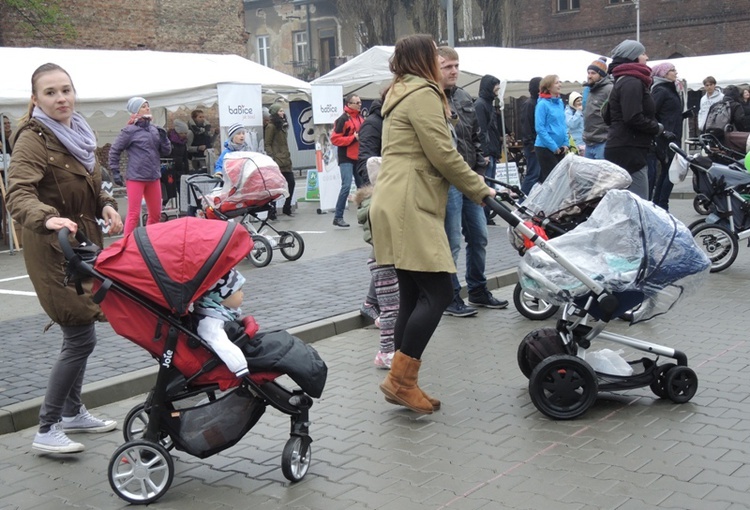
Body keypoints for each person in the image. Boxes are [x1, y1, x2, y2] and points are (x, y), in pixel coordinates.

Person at [369, 34, 495, 414]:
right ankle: (401, 380)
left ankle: (402, 379)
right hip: (411, 203)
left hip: (394, 200)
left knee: (413, 294)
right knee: (439, 291)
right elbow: (443, 153)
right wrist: (480, 189)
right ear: (425, 59)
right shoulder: (423, 93)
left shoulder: (399, 92)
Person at [6, 62, 123, 454]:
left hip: (82, 246)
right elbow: (17, 194)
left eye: (66, 90)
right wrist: (46, 217)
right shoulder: (33, 138)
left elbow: (92, 183)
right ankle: (48, 426)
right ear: (36, 98)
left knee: (83, 334)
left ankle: (72, 412)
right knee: (78, 334)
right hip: (53, 248)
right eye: (52, 92)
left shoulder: (78, 133)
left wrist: (106, 204)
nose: (62, 98)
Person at [437, 46, 508, 318]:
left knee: (479, 236)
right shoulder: (431, 100)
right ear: (436, 68)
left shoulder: (465, 97)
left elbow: (477, 138)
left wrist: (479, 169)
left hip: (470, 179)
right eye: (447, 67)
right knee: (452, 241)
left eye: (456, 66)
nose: (453, 71)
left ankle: (477, 289)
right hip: (448, 181)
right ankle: (450, 296)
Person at [604, 39, 663, 200]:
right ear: (634, 57)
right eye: (643, 53)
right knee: (638, 203)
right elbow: (633, 117)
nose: (647, 57)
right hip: (629, 150)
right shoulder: (632, 82)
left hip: (625, 146)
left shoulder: (623, 80)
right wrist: (657, 128)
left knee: (624, 203)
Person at [355, 157, 397, 369]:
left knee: (393, 307)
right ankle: (385, 352)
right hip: (384, 259)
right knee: (391, 308)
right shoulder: (378, 203)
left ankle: (390, 345)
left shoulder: (377, 200)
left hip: (386, 258)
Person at [108, 96, 172, 236]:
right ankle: (126, 245)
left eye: (148, 105)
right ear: (135, 110)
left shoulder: (155, 129)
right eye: (143, 106)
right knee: (134, 215)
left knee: (155, 215)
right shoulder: (129, 131)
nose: (147, 108)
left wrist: (164, 138)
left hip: (153, 176)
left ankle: (149, 242)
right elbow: (115, 150)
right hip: (136, 177)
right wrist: (115, 170)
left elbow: (166, 152)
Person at [356, 93, 386, 328]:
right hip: (379, 193)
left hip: (391, 192)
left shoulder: (390, 121)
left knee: (386, 252)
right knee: (382, 251)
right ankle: (370, 302)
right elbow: (365, 160)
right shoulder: (374, 124)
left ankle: (374, 301)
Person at [193, 268, 250, 378]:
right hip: (236, 362)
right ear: (220, 297)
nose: (242, 294)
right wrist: (240, 366)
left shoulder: (216, 312)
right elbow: (220, 343)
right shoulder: (210, 322)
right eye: (239, 290)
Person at [650, 62, 684, 211]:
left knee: (667, 171)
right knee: (671, 171)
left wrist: (683, 116)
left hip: (673, 135)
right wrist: (662, 131)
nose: (676, 72)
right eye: (672, 70)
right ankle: (662, 204)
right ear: (663, 74)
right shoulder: (660, 90)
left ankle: (659, 204)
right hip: (665, 138)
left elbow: (669, 112)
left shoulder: (671, 89)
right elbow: (651, 114)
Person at [330, 93, 364, 227]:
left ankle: (364, 215)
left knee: (362, 188)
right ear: (349, 104)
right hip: (346, 157)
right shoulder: (343, 119)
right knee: (346, 186)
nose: (360, 105)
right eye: (357, 102)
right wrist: (352, 138)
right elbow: (335, 139)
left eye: (360, 102)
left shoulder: (360, 118)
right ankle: (338, 217)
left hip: (358, 156)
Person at [474, 74, 503, 225]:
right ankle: (484, 217)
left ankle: (487, 215)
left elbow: (491, 130)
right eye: (495, 84)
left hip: (491, 151)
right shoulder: (481, 105)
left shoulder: (488, 104)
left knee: (490, 185)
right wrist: (484, 153)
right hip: (487, 152)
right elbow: (481, 130)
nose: (498, 87)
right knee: (486, 186)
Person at [534, 75, 569, 183]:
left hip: (560, 148)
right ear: (548, 87)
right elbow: (540, 128)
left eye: (560, 82)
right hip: (545, 148)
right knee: (553, 181)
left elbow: (563, 124)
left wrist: (566, 143)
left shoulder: (560, 103)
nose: (560, 84)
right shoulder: (542, 104)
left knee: (561, 180)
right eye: (557, 82)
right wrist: (553, 147)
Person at [264, 103, 295, 216]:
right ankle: (272, 211)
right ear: (275, 113)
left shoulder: (282, 126)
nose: (283, 113)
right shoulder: (271, 126)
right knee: (276, 186)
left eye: (283, 110)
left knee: (291, 183)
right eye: (280, 111)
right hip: (277, 161)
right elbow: (267, 144)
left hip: (286, 160)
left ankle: (287, 207)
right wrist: (272, 158)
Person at [582, 57, 613, 160]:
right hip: (589, 141)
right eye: (588, 73)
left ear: (602, 75)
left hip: (603, 141)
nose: (589, 76)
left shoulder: (609, 89)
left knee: (602, 175)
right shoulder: (589, 89)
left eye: (593, 73)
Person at [519, 77, 542, 194]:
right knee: (532, 174)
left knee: (538, 175)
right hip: (532, 145)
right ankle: (522, 202)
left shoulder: (539, 102)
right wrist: (530, 143)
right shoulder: (529, 104)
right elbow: (526, 125)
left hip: (538, 144)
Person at [163, 119, 189, 206]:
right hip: (170, 170)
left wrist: (187, 171)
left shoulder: (183, 143)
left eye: (185, 133)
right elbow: (165, 154)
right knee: (170, 190)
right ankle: (168, 205)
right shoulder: (169, 141)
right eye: (182, 133)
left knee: (182, 189)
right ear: (177, 132)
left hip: (180, 169)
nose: (184, 135)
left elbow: (185, 157)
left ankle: (182, 207)